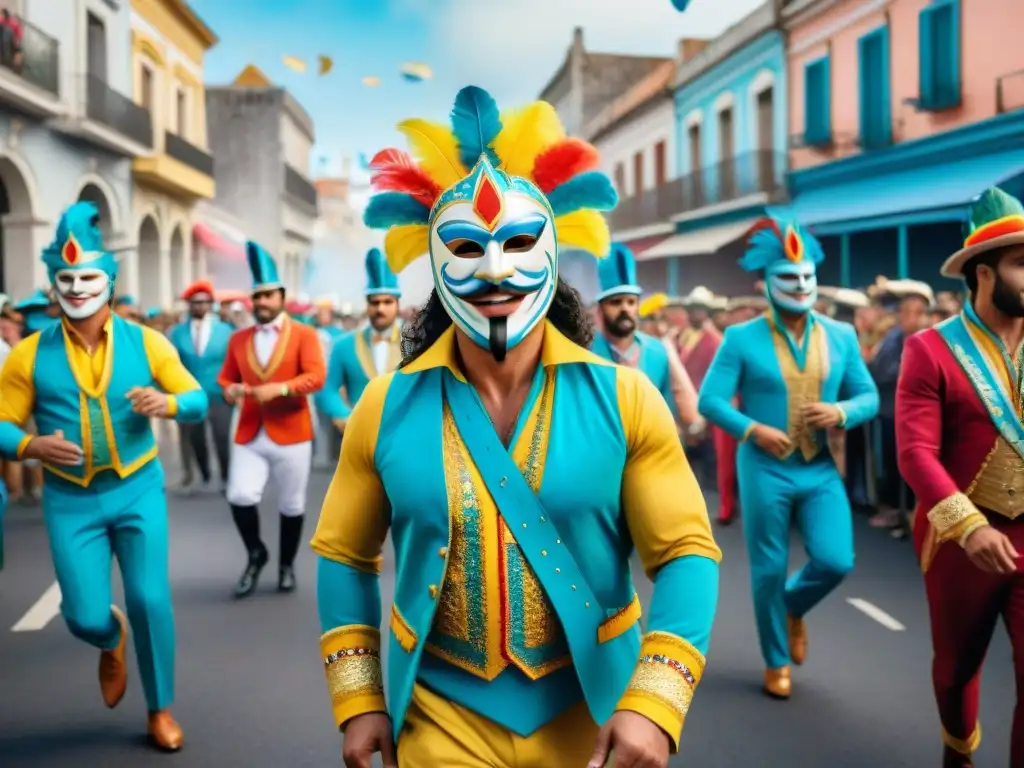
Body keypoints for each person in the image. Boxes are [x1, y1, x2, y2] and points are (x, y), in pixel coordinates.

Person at [311, 85, 721, 768]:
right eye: (468, 247)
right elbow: (344, 556)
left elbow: (685, 552)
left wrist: (654, 703)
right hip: (440, 717)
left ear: (555, 254)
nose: (496, 270)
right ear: (436, 265)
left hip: (594, 714)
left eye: (519, 241)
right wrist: (359, 702)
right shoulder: (384, 407)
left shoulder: (627, 400)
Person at [0, 202, 208, 749]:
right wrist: (27, 444)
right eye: (65, 278)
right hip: (70, 501)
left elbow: (197, 398)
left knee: (150, 599)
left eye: (88, 276)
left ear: (110, 283)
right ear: (53, 285)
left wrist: (168, 403)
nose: (76, 287)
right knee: (84, 617)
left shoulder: (148, 343)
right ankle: (108, 636)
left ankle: (160, 708)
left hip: (138, 489)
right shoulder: (26, 354)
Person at [698, 216, 878, 699]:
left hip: (819, 469)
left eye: (807, 277)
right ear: (766, 283)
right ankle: (775, 658)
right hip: (764, 468)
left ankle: (792, 607)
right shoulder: (741, 338)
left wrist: (841, 411)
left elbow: (869, 397)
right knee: (768, 567)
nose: (800, 286)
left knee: (836, 559)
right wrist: (752, 429)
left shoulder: (841, 335)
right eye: (788, 278)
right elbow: (709, 401)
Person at [897, 187, 1024, 768]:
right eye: (1021, 263)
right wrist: (968, 527)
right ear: (982, 272)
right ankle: (958, 749)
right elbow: (915, 453)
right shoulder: (929, 350)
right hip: (958, 543)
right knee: (955, 672)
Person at [219, 241, 326, 597]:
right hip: (251, 431)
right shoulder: (238, 339)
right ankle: (256, 553)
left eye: (268, 296)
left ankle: (285, 566)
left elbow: (316, 377)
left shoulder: (305, 335)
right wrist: (229, 390)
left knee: (292, 504)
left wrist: (280, 390)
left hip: (293, 432)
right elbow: (225, 378)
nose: (262, 303)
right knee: (240, 495)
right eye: (257, 297)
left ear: (281, 296)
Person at [589, 243, 687, 423]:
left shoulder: (657, 352)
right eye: (616, 302)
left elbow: (666, 412)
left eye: (631, 302)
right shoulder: (584, 354)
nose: (625, 309)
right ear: (601, 309)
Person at [320, 248, 403, 434]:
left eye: (387, 302)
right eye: (374, 302)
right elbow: (327, 389)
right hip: (358, 438)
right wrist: (345, 416)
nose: (380, 308)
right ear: (367, 304)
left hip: (403, 438)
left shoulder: (417, 344)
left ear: (398, 303)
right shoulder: (344, 345)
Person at [168, 280, 234, 492]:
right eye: (195, 302)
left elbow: (234, 361)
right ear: (189, 305)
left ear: (211, 304)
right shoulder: (177, 332)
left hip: (219, 393)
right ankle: (204, 474)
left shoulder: (225, 330)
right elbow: (171, 362)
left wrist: (235, 386)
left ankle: (227, 476)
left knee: (222, 436)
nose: (200, 306)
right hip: (191, 393)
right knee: (195, 437)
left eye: (204, 302)